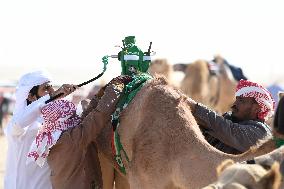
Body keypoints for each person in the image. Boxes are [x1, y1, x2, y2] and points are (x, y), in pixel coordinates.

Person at [4, 70, 77, 189]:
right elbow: (20, 122)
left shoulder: (55, 122)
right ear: (31, 96)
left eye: (52, 87)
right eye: (46, 88)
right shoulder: (18, 126)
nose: (52, 91)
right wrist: (52, 97)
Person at [187, 79, 275, 154]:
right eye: (236, 99)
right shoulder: (230, 119)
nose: (234, 104)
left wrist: (193, 107)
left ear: (256, 108)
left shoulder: (261, 133)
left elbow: (227, 129)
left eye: (241, 101)